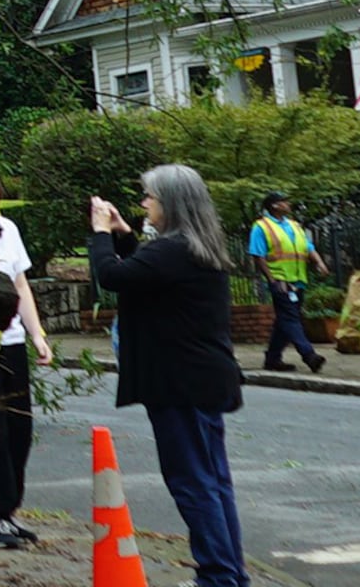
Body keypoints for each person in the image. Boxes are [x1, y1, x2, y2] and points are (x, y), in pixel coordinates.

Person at [92, 164, 247, 587]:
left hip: (179, 383)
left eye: (150, 197)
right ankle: (230, 573)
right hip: (204, 379)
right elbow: (144, 274)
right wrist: (125, 235)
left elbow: (113, 277)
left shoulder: (173, 250)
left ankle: (218, 576)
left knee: (193, 483)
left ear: (172, 204)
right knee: (214, 481)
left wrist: (102, 233)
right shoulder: (196, 247)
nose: (144, 203)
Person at [0, 159, 53, 551]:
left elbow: (21, 285)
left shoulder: (9, 230)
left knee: (20, 430)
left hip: (13, 343)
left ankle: (7, 510)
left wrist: (37, 334)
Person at [246, 192, 328, 374]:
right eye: (284, 201)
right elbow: (258, 255)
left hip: (298, 280)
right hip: (281, 281)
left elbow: (308, 247)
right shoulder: (261, 227)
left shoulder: (295, 225)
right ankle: (309, 355)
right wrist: (272, 280)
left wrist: (319, 262)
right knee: (291, 319)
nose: (288, 204)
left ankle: (272, 359)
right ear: (274, 206)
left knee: (284, 321)